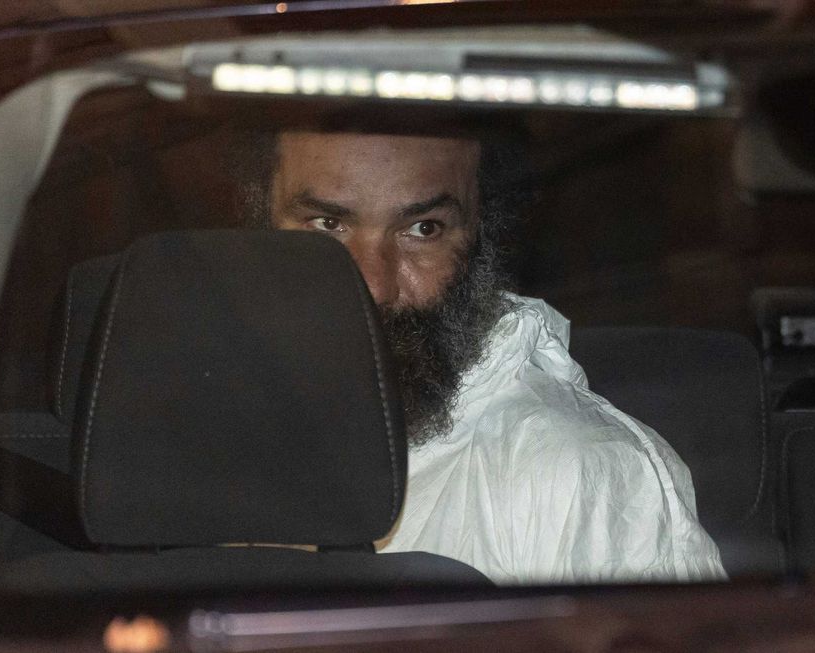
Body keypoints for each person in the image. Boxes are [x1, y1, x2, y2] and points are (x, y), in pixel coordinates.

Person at [237, 120, 726, 585]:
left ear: (479, 242)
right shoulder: (188, 441)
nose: (374, 286)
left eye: (423, 229)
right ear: (258, 229)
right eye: (328, 224)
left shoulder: (573, 473)